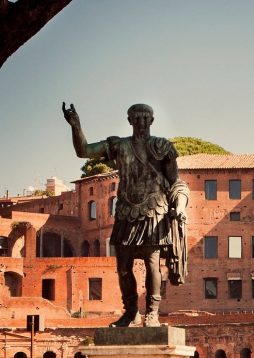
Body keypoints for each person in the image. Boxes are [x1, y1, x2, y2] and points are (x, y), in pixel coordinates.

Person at [62, 103, 189, 327]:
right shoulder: (119, 146)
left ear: (151, 120)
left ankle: (152, 313)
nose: (141, 121)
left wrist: (179, 206)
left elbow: (175, 181)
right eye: (136, 118)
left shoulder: (162, 147)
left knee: (152, 263)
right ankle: (131, 312)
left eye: (145, 117)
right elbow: (84, 151)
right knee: (123, 266)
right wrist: (75, 125)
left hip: (154, 211)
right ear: (129, 120)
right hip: (126, 211)